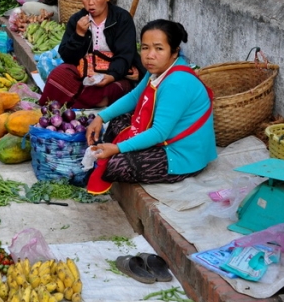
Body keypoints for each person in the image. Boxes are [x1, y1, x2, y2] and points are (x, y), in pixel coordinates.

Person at [85, 19, 217, 194]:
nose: (149, 55)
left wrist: (117, 149)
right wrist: (101, 117)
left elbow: (159, 133)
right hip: (167, 137)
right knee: (117, 121)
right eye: (145, 47)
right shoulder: (158, 69)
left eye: (159, 48)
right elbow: (135, 97)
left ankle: (115, 152)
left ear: (174, 52)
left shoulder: (176, 83)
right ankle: (115, 149)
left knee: (116, 166)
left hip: (182, 154)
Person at [38, 0, 144, 110]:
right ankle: (77, 100)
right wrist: (79, 34)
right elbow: (67, 56)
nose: (90, 3)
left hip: (114, 71)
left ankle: (72, 102)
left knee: (103, 95)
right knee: (57, 75)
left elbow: (125, 56)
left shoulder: (122, 19)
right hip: (83, 70)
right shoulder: (77, 19)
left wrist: (111, 76)